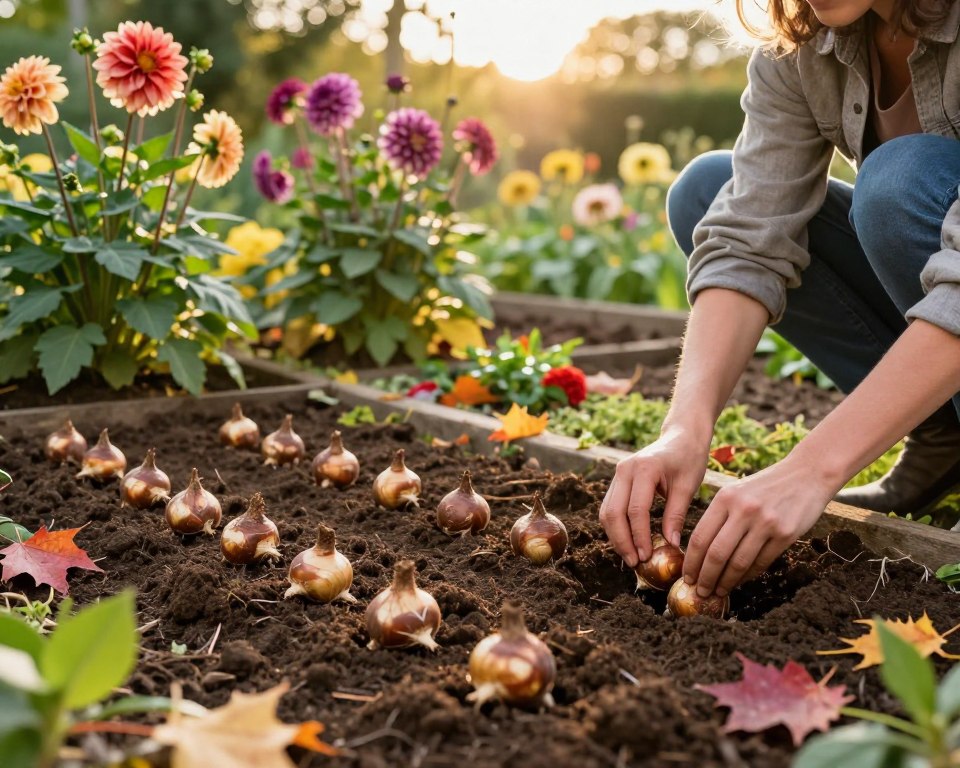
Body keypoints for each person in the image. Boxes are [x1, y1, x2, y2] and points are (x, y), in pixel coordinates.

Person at [599, 0, 960, 603]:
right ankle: (943, 436)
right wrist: (683, 429)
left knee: (898, 184)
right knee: (709, 191)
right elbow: (748, 235)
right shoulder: (803, 43)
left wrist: (810, 469)